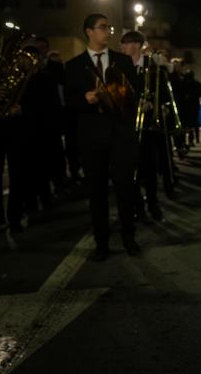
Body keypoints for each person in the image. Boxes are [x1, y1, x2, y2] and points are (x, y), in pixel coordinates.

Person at [64, 14, 141, 261]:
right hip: (92, 136)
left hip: (120, 134)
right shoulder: (74, 65)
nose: (108, 31)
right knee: (96, 192)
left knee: (125, 188)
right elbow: (69, 102)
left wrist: (121, 96)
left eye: (109, 27)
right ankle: (102, 242)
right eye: (102, 27)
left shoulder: (122, 61)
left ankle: (129, 236)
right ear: (89, 31)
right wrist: (85, 99)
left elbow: (135, 95)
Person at [120, 31, 165, 221]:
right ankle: (138, 206)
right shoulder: (121, 67)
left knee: (149, 168)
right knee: (131, 169)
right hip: (127, 125)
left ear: (137, 45)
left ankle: (153, 203)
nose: (124, 48)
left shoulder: (152, 67)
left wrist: (152, 103)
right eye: (123, 44)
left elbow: (162, 92)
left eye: (127, 44)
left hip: (148, 126)